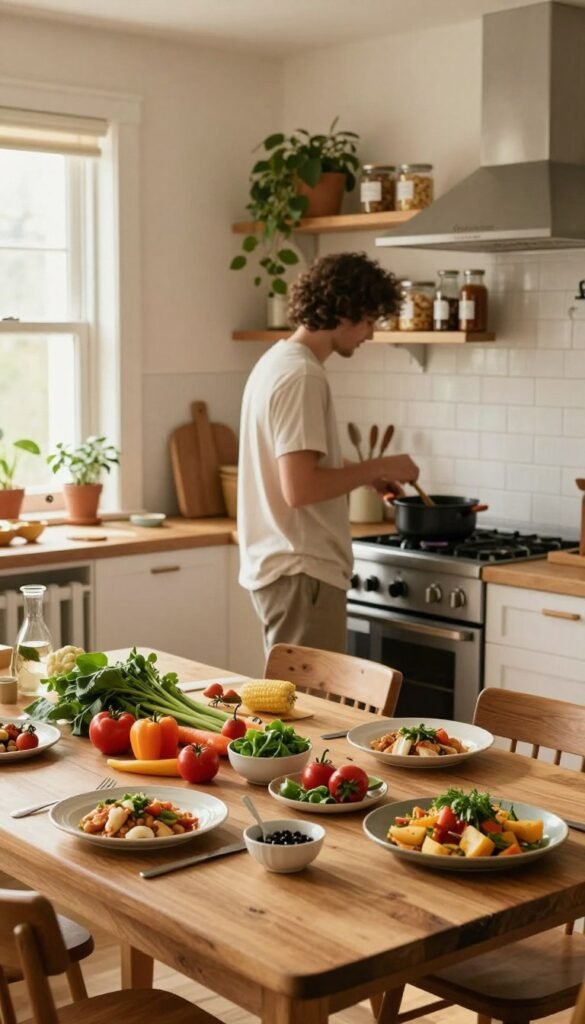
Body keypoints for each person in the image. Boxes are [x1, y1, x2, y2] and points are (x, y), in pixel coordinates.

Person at [237, 251, 419, 655]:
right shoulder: (302, 375)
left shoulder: (277, 361)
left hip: (287, 567)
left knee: (296, 693)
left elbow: (300, 463)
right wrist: (381, 464)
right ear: (343, 312)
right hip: (302, 570)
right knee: (311, 697)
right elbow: (300, 488)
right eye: (368, 321)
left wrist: (368, 474)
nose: (370, 334)